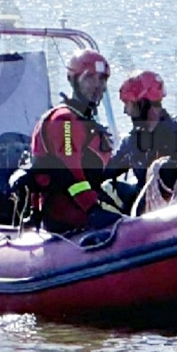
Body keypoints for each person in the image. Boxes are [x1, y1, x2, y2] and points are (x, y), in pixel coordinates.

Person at [23, 48, 120, 234]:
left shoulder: (85, 121)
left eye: (102, 79)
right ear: (73, 80)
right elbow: (70, 170)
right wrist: (93, 210)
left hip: (85, 212)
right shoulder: (65, 122)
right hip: (69, 218)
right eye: (90, 78)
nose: (97, 85)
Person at [104, 70, 177, 212]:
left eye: (128, 104)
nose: (125, 111)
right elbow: (106, 172)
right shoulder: (131, 143)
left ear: (143, 103)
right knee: (106, 190)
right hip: (145, 217)